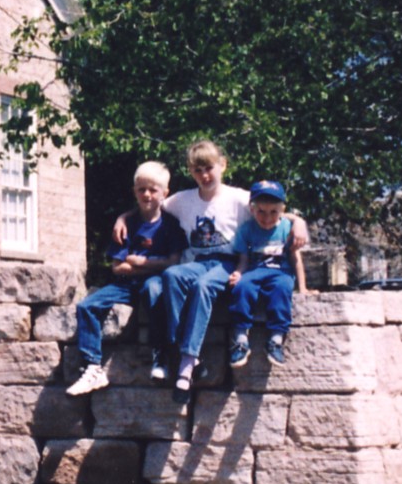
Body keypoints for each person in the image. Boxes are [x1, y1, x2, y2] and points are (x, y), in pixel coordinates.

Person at [112, 139, 308, 403]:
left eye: (209, 168)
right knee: (171, 276)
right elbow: (150, 205)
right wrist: (122, 218)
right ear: (191, 172)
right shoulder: (182, 201)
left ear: (222, 166)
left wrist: (300, 223)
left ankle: (187, 362)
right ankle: (188, 352)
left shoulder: (238, 198)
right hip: (196, 262)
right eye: (197, 170)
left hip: (226, 261)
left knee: (203, 286)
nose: (204, 175)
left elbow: (272, 212)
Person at [66, 161, 186, 397]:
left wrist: (140, 262)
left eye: (153, 190)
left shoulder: (170, 225)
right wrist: (149, 265)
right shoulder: (127, 225)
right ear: (134, 191)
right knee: (86, 305)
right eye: (142, 189)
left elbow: (174, 262)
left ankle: (159, 355)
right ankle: (93, 366)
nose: (147, 195)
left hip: (155, 283)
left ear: (165, 193)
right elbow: (118, 267)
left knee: (154, 291)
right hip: (125, 286)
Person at [227, 180, 308, 367]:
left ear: (282, 210)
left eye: (273, 212)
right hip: (255, 271)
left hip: (280, 272)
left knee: (282, 289)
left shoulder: (287, 228)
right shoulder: (246, 229)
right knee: (242, 287)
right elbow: (243, 259)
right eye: (261, 211)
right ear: (252, 209)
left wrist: (302, 287)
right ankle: (240, 339)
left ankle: (276, 340)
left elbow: (296, 258)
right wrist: (238, 273)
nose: (267, 217)